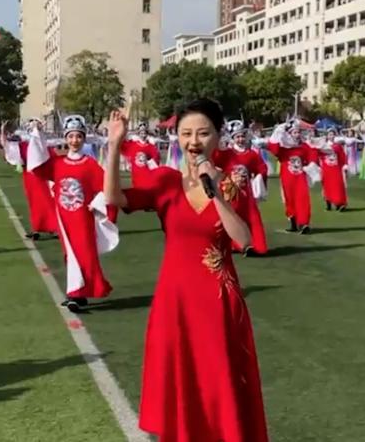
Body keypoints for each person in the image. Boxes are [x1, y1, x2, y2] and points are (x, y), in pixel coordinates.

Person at [103, 100, 268, 442]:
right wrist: (115, 144)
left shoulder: (231, 182)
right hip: (174, 302)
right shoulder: (164, 182)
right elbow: (114, 197)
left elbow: (243, 238)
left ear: (218, 138)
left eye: (203, 133)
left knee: (220, 384)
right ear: (176, 138)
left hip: (219, 303)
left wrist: (217, 193)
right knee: (181, 383)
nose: (194, 141)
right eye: (186, 133)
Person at [27, 115, 119, 312]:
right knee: (70, 254)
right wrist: (37, 134)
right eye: (70, 136)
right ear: (65, 138)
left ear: (84, 138)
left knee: (84, 253)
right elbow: (37, 167)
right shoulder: (57, 163)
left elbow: (106, 186)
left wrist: (97, 203)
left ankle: (74, 295)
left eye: (78, 136)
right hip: (64, 218)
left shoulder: (90, 164)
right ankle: (79, 293)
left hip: (83, 218)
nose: (74, 140)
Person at [217, 120, 269, 255]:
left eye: (242, 136)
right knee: (232, 217)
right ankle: (234, 244)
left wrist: (258, 178)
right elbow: (213, 159)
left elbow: (262, 168)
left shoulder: (251, 154)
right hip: (230, 192)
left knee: (252, 217)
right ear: (232, 139)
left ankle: (255, 245)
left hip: (247, 193)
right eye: (237, 137)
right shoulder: (227, 153)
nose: (240, 139)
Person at [1, 120, 57, 240]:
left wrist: (38, 129)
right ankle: (38, 228)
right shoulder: (24, 144)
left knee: (46, 201)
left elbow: (41, 147)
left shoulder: (38, 141)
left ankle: (53, 228)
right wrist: (3, 132)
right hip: (31, 176)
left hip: (40, 176)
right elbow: (8, 147)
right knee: (35, 203)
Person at [267, 121, 319, 234]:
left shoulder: (303, 146)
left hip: (300, 177)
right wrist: (279, 131)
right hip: (287, 178)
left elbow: (313, 154)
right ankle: (293, 223)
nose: (297, 134)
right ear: (289, 134)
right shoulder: (284, 148)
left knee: (303, 199)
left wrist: (310, 166)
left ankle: (304, 223)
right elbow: (272, 148)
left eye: (298, 132)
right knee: (289, 200)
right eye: (294, 132)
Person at [120, 121, 161, 188]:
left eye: (144, 132)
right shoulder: (133, 144)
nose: (143, 134)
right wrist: (122, 131)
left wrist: (148, 162)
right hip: (136, 175)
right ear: (138, 133)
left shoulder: (151, 146)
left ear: (147, 134)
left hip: (147, 174)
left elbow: (156, 159)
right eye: (141, 132)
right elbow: (122, 145)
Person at [317, 129, 349, 211]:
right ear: (327, 136)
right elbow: (318, 155)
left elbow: (342, 156)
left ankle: (339, 203)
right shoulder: (322, 146)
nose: (331, 136)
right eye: (330, 134)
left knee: (337, 186)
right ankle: (328, 204)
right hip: (326, 169)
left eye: (333, 134)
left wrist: (345, 165)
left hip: (336, 169)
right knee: (327, 186)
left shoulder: (337, 146)